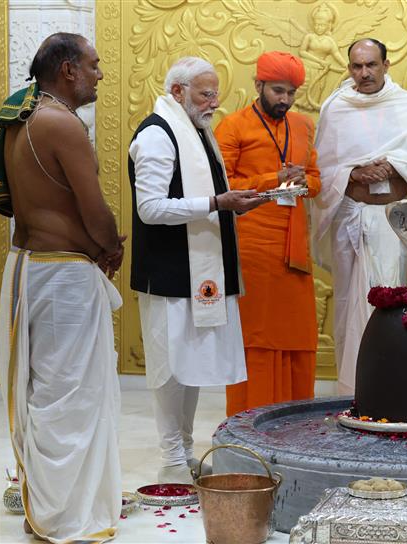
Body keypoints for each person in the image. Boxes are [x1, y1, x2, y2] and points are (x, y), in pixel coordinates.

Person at [0, 33, 125, 543]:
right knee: (70, 396)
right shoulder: (63, 124)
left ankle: (44, 505)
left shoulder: (24, 117)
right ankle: (65, 518)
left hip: (28, 265)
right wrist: (111, 246)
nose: (99, 74)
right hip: (63, 275)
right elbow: (94, 211)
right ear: (68, 71)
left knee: (42, 393)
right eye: (94, 65)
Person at [128, 57, 265, 484]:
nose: (214, 102)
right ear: (177, 92)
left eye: (215, 93)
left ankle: (185, 453)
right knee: (170, 368)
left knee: (191, 367)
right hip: (168, 275)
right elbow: (150, 209)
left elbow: (206, 199)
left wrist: (236, 204)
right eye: (205, 93)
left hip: (198, 275)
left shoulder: (198, 132)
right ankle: (170, 457)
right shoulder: (157, 134)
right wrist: (216, 204)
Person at [312, 38, 407, 394]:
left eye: (371, 65)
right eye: (357, 67)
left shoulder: (406, 105)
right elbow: (322, 167)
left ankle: (393, 386)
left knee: (391, 296)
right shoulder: (336, 107)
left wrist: (391, 164)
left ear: (387, 65)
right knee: (346, 302)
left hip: (392, 222)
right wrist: (354, 173)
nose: (364, 73)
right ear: (349, 69)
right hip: (348, 217)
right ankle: (351, 387)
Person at [215, 51, 321, 417]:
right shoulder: (233, 126)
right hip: (252, 247)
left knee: (298, 338)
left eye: (291, 93)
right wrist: (272, 180)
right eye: (278, 90)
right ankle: (251, 424)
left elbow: (316, 180)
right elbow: (223, 185)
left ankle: (294, 425)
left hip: (294, 248)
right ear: (258, 85)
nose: (285, 100)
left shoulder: (304, 125)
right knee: (256, 340)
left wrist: (304, 180)